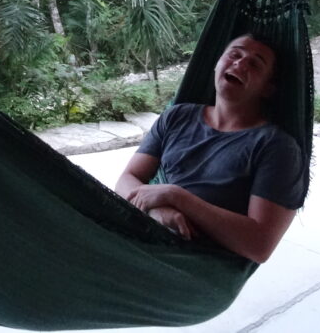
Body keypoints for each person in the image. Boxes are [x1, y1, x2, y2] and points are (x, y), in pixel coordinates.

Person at [115, 34, 305, 264]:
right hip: (141, 241)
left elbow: (260, 245)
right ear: (217, 64)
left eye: (255, 64)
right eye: (234, 54)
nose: (240, 63)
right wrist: (157, 212)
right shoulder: (177, 116)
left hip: (199, 268)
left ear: (268, 88)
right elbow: (127, 179)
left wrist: (176, 196)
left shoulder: (277, 147)